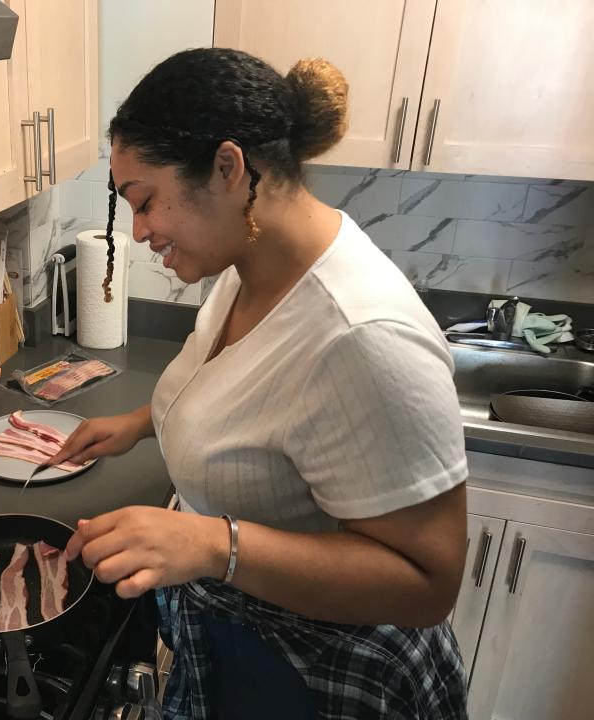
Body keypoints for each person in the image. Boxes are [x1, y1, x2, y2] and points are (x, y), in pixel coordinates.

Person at [51, 48, 469, 719]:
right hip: (251, 645)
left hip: (328, 675)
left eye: (147, 200)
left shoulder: (362, 335)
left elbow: (429, 583)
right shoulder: (249, 266)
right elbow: (241, 389)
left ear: (227, 168)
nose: (139, 230)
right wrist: (136, 425)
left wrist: (213, 544)